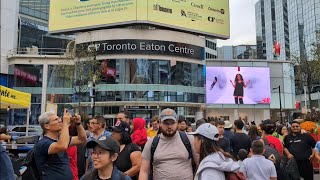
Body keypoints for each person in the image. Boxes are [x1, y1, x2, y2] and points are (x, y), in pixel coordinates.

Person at [139, 108, 198, 180]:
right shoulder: (151, 143)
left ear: (176, 123)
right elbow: (144, 171)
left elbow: (199, 165)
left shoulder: (189, 139)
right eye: (166, 123)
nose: (169, 126)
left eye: (172, 123)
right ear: (160, 123)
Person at [34, 110, 87, 180]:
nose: (60, 121)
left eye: (59, 118)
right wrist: (65, 123)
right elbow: (63, 146)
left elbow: (82, 139)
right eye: (56, 119)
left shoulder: (60, 140)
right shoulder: (43, 143)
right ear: (47, 126)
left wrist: (78, 124)